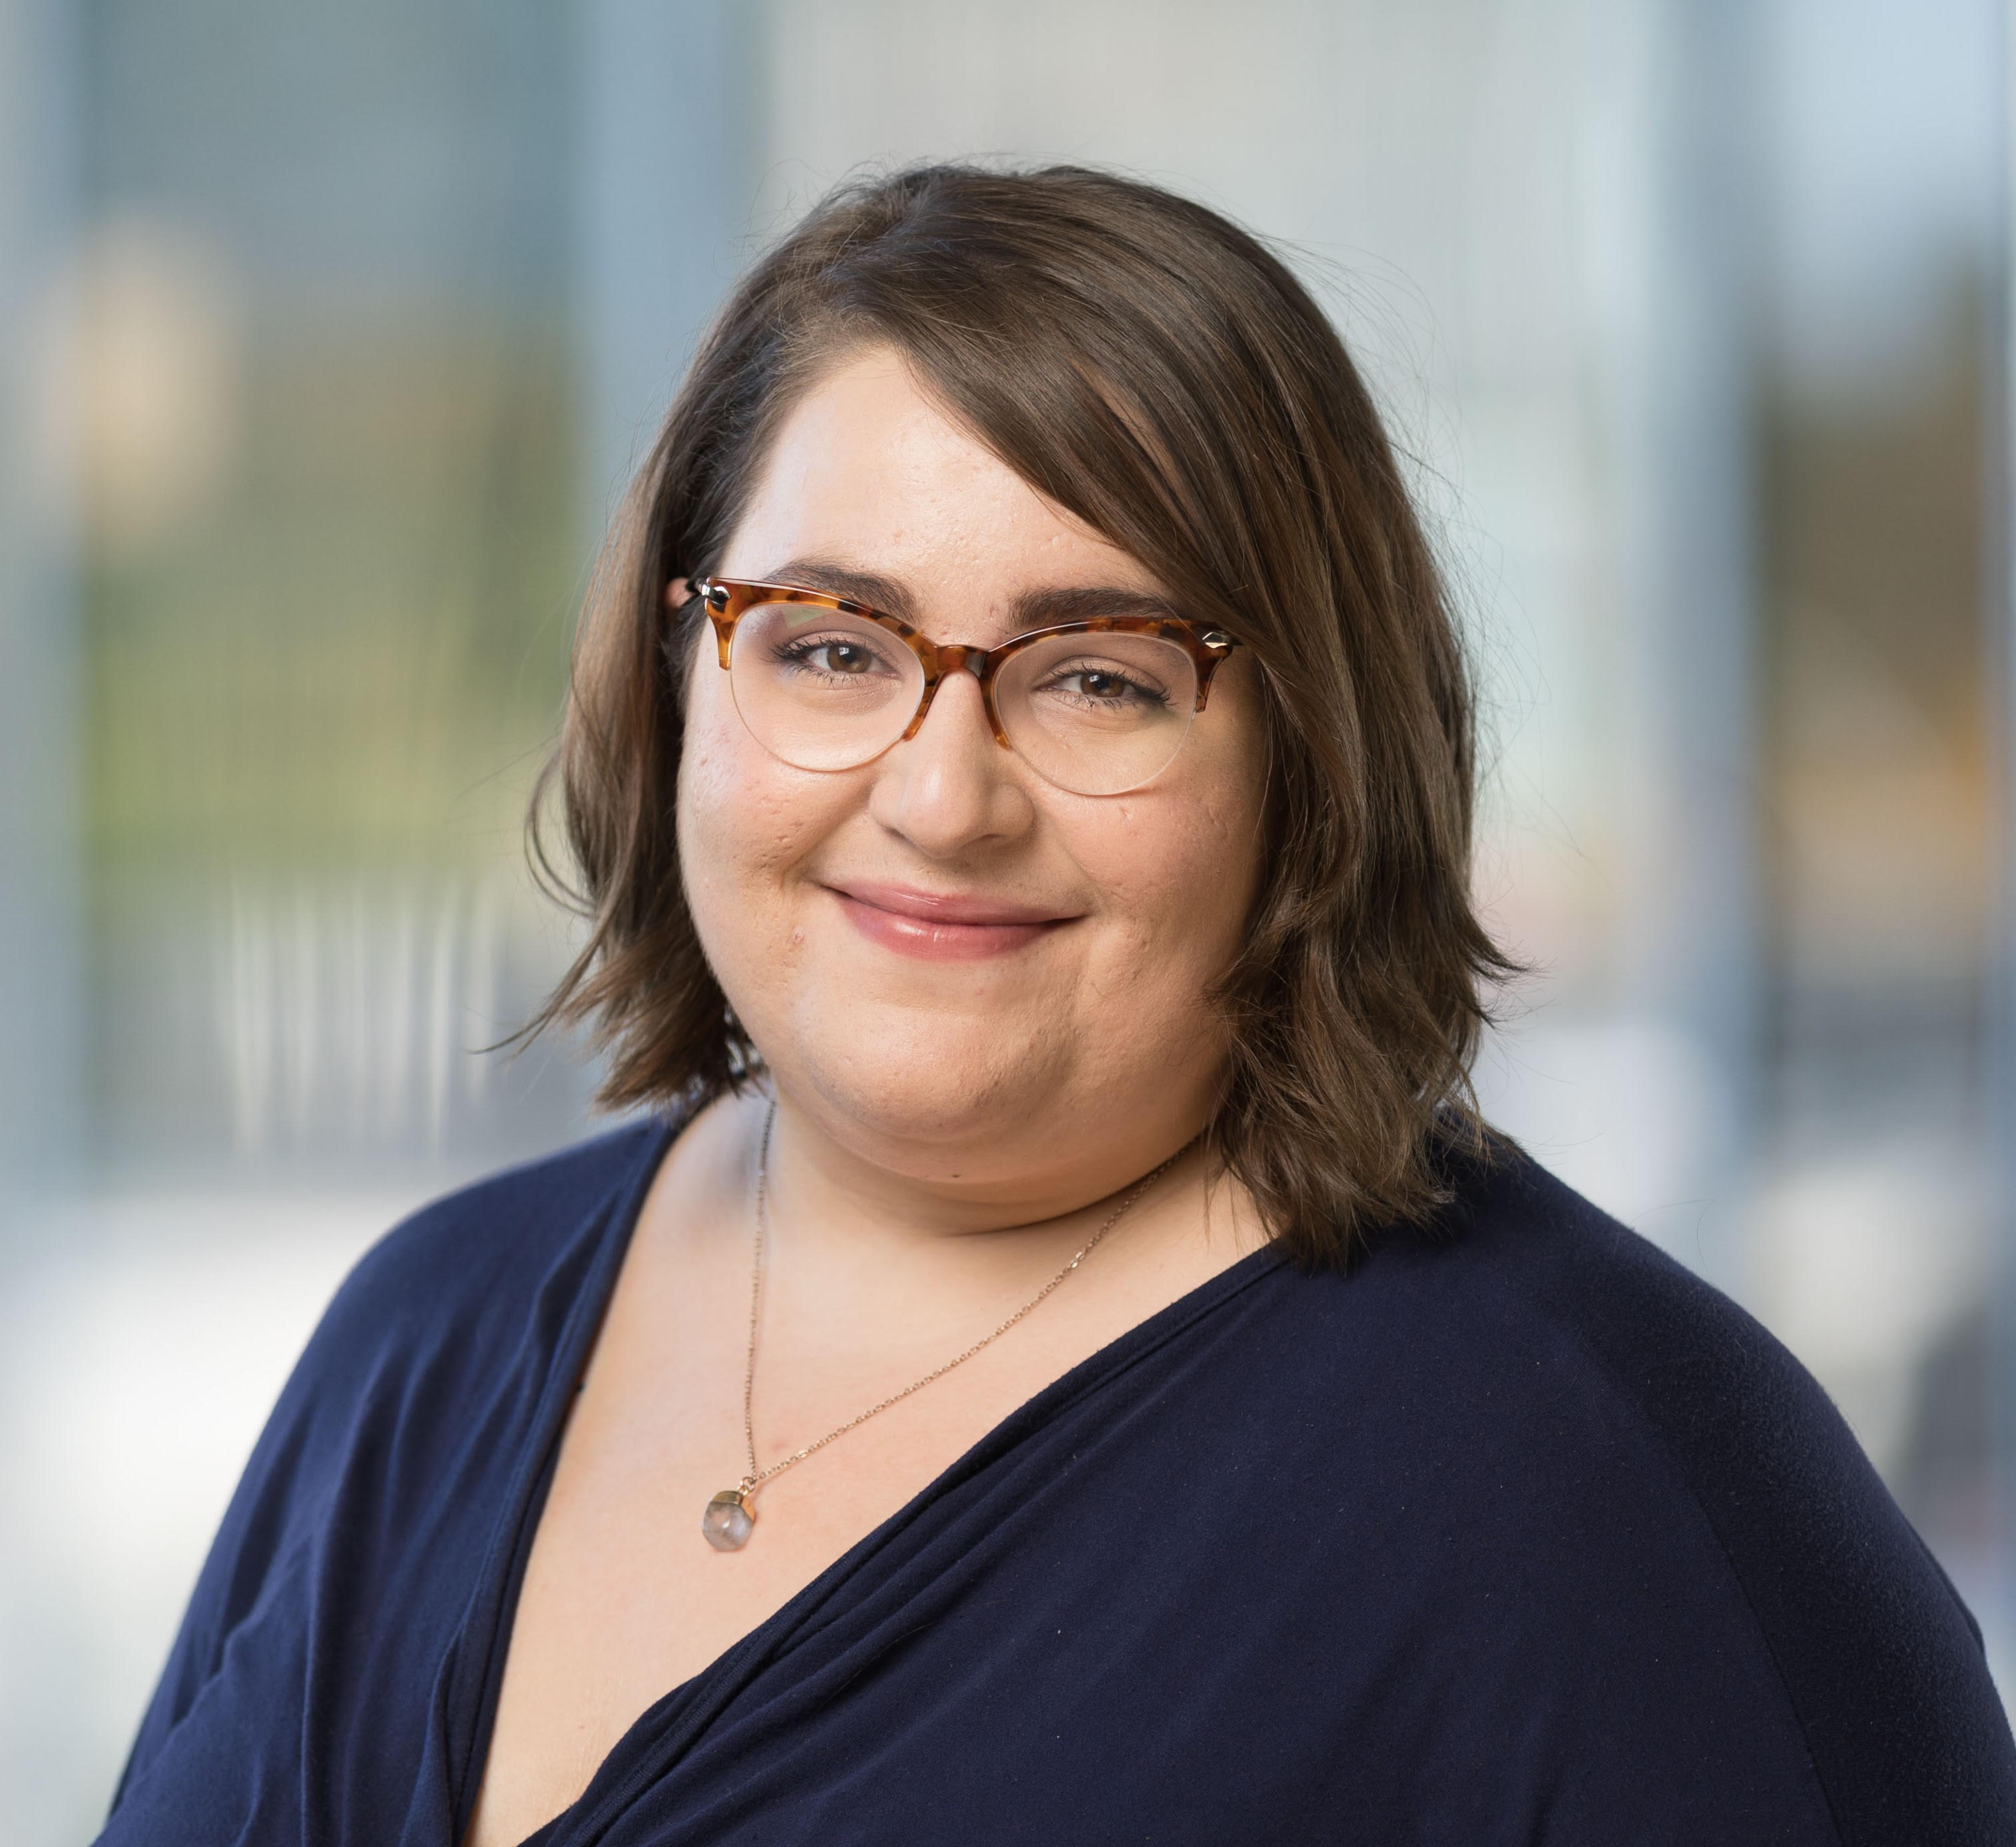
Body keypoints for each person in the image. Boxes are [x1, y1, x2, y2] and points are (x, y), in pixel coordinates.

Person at [101, 165, 2015, 1847]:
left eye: (1099, 677)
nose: (940, 796)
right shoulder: (423, 1331)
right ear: (676, 681)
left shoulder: (1610, 1484)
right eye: (832, 648)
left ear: (1314, 760)